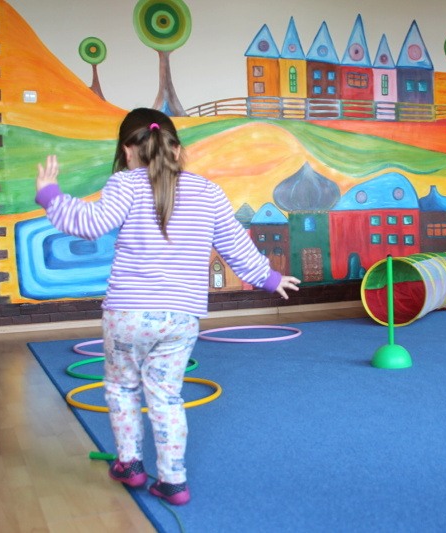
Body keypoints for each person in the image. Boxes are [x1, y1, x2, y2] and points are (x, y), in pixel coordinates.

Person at [34, 108, 300, 506]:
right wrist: (270, 277)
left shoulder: (125, 184)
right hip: (180, 318)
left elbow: (89, 224)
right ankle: (173, 482)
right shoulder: (208, 192)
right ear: (176, 149)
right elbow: (235, 245)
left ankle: (130, 465)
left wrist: (50, 195)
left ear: (127, 151)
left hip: (128, 314)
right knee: (166, 396)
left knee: (122, 387)